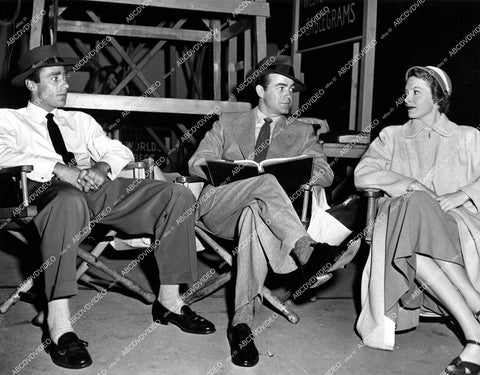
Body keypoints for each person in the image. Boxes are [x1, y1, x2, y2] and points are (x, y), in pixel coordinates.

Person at [0, 45, 215, 370]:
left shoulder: (79, 121)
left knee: (176, 196)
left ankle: (169, 301)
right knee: (68, 199)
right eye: (54, 78)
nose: (65, 84)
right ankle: (58, 326)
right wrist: (59, 169)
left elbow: (117, 150)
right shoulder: (9, 119)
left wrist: (100, 169)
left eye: (65, 77)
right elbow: (4, 156)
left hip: (94, 188)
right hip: (45, 192)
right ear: (32, 84)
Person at [189, 55, 358, 367]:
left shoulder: (302, 131)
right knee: (262, 181)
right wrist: (231, 170)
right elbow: (196, 161)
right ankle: (306, 252)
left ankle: (241, 326)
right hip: (219, 208)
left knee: (256, 210)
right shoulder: (227, 124)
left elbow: (326, 174)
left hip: (265, 217)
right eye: (280, 87)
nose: (287, 95)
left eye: (291, 89)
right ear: (259, 90)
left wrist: (300, 173)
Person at [355, 66, 480, 375]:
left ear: (439, 98)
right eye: (406, 91)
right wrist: (411, 184)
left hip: (454, 225)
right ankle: (476, 325)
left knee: (411, 218)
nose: (406, 98)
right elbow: (363, 174)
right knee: (412, 204)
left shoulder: (467, 136)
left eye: (416, 92)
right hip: (404, 225)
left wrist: (463, 193)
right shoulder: (392, 136)